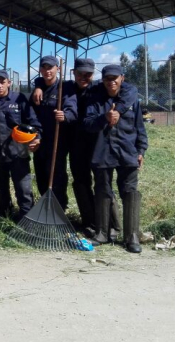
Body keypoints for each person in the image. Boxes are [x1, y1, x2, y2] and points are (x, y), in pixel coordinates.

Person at [31, 58, 137, 237]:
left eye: (87, 74)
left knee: (102, 184)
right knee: (80, 181)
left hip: (98, 143)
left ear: (93, 74)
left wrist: (118, 109)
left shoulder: (98, 88)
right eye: (80, 73)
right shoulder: (67, 87)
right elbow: (46, 80)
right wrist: (38, 85)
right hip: (74, 143)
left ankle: (113, 225)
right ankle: (89, 221)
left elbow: (131, 90)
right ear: (73, 73)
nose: (83, 77)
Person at [84, 65, 148, 253]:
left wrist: (141, 150)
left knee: (130, 192)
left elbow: (139, 128)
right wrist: (105, 117)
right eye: (107, 79)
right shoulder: (94, 100)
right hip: (102, 152)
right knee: (102, 190)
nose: (111, 82)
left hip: (127, 151)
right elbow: (87, 124)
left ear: (122, 78)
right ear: (102, 80)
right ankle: (102, 233)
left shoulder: (131, 101)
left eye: (115, 78)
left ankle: (131, 237)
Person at [0, 70, 41, 220]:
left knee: (23, 189)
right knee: (1, 188)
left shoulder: (19, 99)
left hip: (18, 153)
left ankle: (27, 219)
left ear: (9, 83)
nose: (0, 85)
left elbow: (33, 122)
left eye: (3, 82)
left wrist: (37, 138)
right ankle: (4, 215)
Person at [30, 56, 77, 210]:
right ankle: (46, 208)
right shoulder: (38, 88)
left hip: (58, 142)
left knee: (57, 177)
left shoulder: (66, 87)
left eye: (51, 67)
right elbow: (32, 114)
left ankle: (60, 209)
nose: (47, 71)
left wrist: (65, 115)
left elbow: (72, 109)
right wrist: (36, 136)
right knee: (41, 176)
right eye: (44, 68)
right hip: (40, 140)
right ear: (40, 70)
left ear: (58, 69)